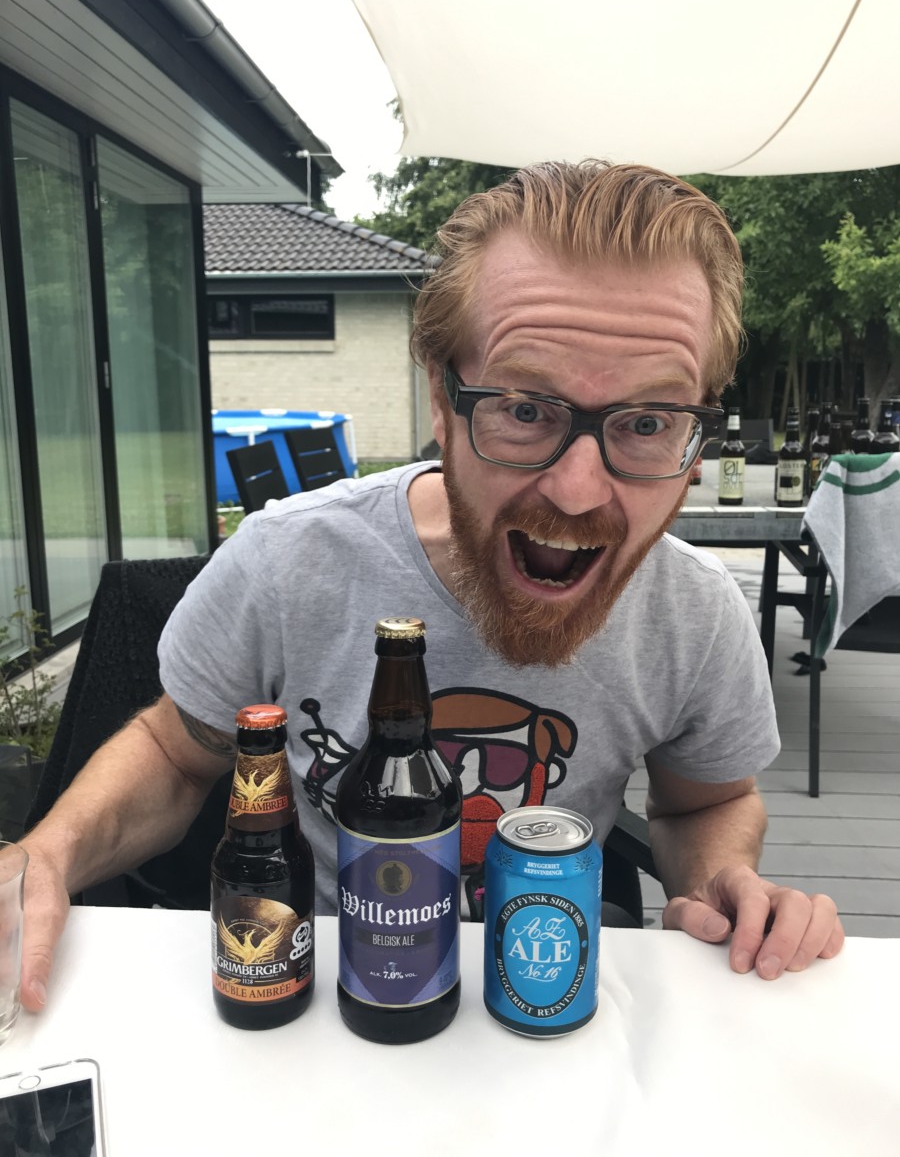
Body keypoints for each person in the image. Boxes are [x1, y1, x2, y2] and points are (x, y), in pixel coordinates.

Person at [20, 161, 843, 1012]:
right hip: (330, 1002)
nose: (577, 492)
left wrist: (720, 880)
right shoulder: (288, 560)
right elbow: (171, 754)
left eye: (646, 422)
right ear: (441, 402)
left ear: (696, 436)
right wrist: (45, 857)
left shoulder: (695, 611)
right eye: (524, 409)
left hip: (548, 993)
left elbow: (704, 805)